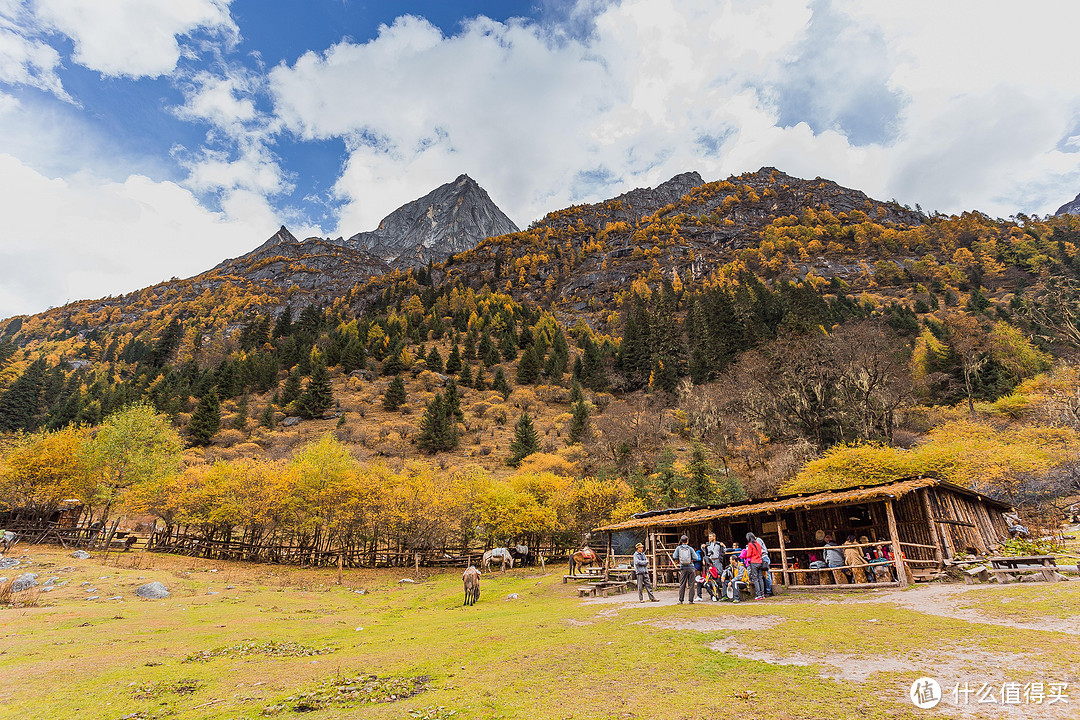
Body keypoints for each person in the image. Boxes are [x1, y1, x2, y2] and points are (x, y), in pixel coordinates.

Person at [670, 534, 697, 604]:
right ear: (687, 541)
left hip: (683, 568)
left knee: (682, 584)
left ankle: (681, 600)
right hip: (691, 567)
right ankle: (691, 600)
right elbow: (695, 557)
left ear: (681, 541)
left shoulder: (678, 548)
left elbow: (674, 556)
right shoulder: (690, 548)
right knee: (691, 584)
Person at [739, 532, 765, 600]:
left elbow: (749, 554)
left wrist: (745, 553)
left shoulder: (750, 544)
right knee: (760, 578)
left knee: (755, 579)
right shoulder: (758, 544)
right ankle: (762, 594)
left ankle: (758, 594)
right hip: (760, 562)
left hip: (754, 562)